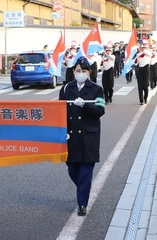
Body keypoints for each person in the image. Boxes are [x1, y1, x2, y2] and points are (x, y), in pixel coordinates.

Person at [58, 56, 105, 216]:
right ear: (73, 71)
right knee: (72, 170)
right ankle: (83, 190)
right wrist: (61, 131)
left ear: (89, 72)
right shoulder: (66, 89)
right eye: (78, 71)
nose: (81, 73)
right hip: (71, 136)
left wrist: (85, 104)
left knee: (86, 171)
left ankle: (82, 204)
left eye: (84, 71)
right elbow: (59, 112)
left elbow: (100, 111)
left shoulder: (96, 89)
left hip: (88, 136)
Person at [135, 39, 152, 105]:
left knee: (145, 86)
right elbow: (136, 63)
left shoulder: (148, 52)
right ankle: (141, 100)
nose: (143, 48)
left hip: (146, 69)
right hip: (140, 69)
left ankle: (145, 98)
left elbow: (148, 54)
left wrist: (143, 50)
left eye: (144, 47)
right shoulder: (138, 54)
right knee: (140, 86)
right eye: (142, 47)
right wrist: (135, 61)